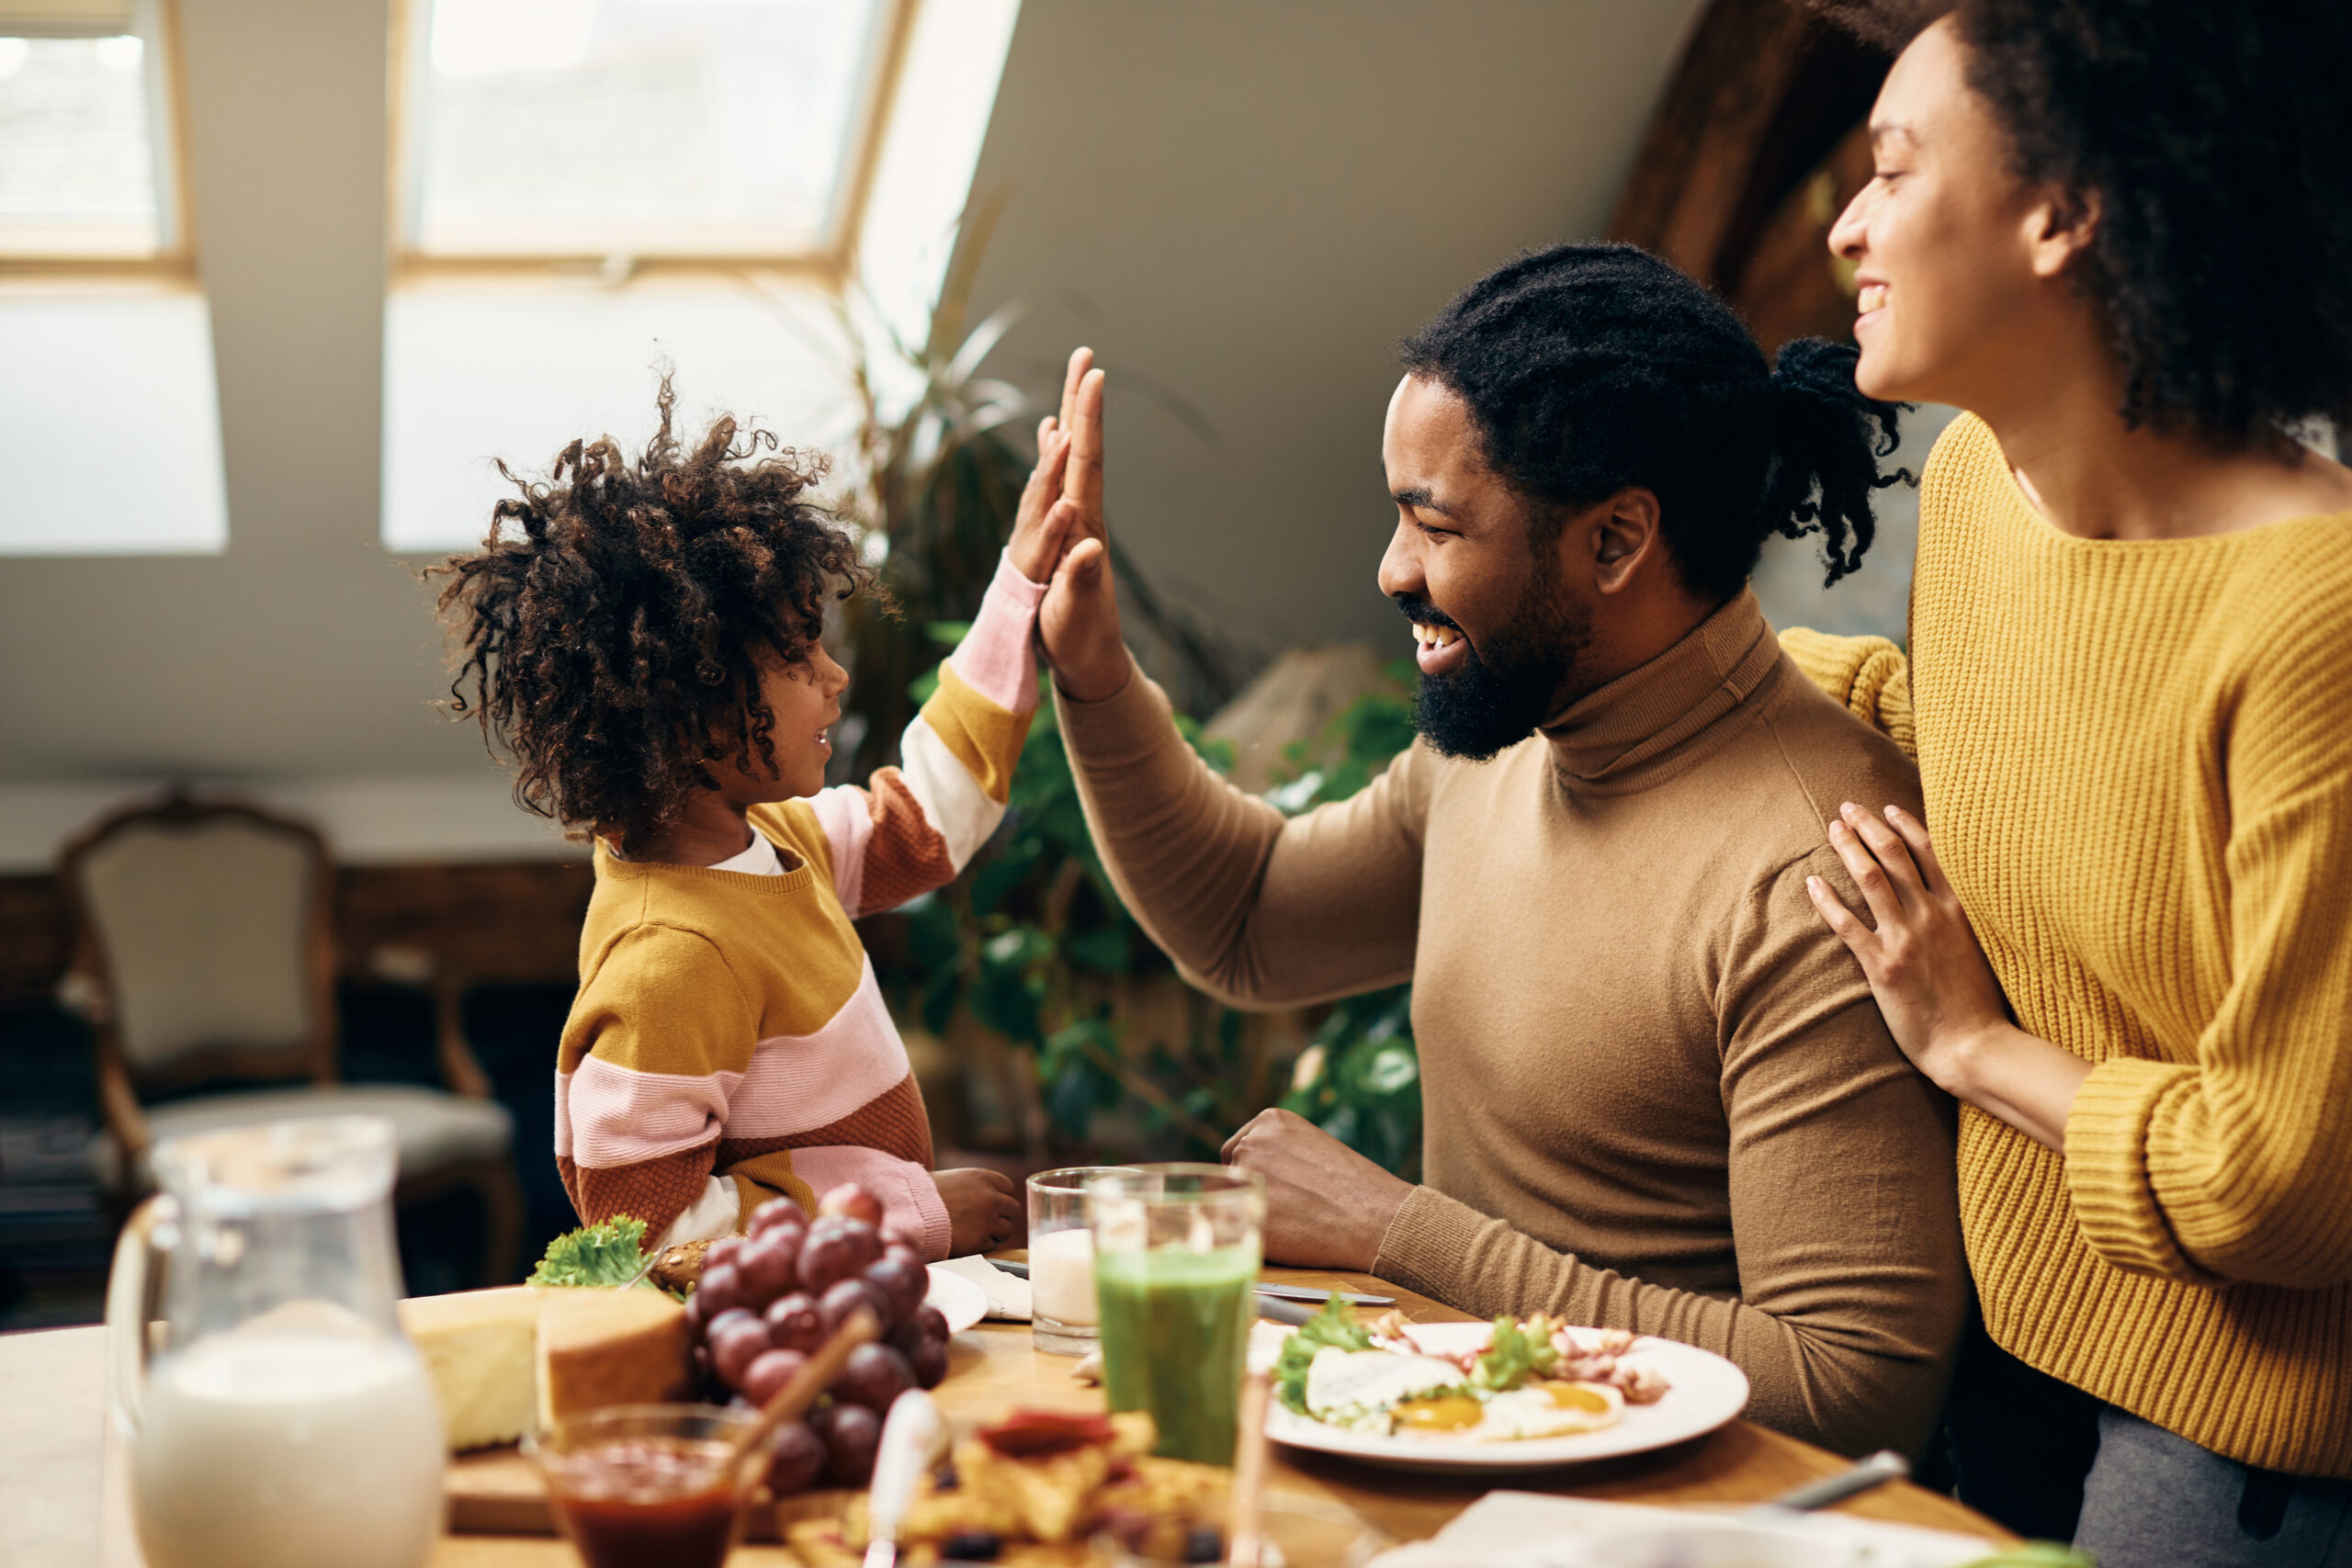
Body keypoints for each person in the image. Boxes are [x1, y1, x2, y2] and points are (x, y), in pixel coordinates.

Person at [1025, 246, 1968, 1457]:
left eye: (1436, 525)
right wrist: (1095, 670)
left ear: (1617, 540)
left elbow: (1845, 1387)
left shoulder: (1813, 873)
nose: (1391, 570)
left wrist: (1397, 1231)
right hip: (1462, 1471)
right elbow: (1251, 917)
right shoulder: (1507, 738)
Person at [1779, 3, 2352, 1559]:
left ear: (2065, 211)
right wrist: (1669, 663)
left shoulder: (2318, 621)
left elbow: (2288, 1178)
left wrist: (1967, 1043)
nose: (1845, 228)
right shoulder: (1978, 483)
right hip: (2008, 1337)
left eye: (1894, 171)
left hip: (2243, 1435)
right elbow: (1994, 733)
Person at [429, 382, 1084, 1260]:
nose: (834, 676)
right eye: (797, 653)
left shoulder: (776, 840)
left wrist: (1020, 582)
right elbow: (651, 1239)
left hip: (851, 1300)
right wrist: (911, 1210)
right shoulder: (673, 960)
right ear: (692, 707)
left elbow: (929, 816)